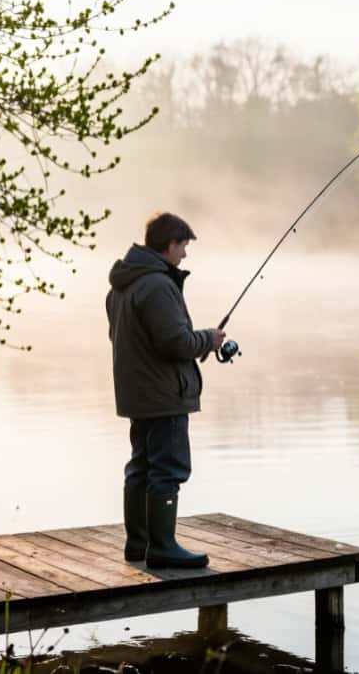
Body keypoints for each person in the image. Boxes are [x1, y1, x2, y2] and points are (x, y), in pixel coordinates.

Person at [105, 212, 225, 569]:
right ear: (169, 243)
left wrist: (197, 343)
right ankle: (162, 546)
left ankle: (138, 544)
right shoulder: (156, 285)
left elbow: (143, 341)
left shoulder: (123, 285)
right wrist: (209, 339)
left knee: (141, 466)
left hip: (138, 394)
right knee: (168, 469)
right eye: (183, 246)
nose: (185, 254)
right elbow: (174, 341)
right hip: (162, 396)